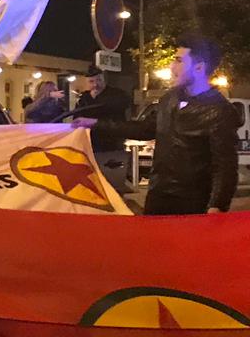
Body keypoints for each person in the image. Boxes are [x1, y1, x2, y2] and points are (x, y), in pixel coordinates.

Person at [75, 37, 239, 214]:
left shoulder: (219, 110)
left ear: (199, 67)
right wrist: (95, 123)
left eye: (179, 61)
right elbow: (144, 129)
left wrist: (217, 206)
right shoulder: (170, 98)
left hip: (193, 203)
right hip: (158, 196)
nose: (172, 67)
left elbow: (225, 166)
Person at [63, 66, 134, 190]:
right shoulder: (85, 98)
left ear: (103, 79)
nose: (95, 84)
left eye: (99, 80)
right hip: (90, 144)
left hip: (111, 143)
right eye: (91, 81)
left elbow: (123, 106)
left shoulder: (117, 94)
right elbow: (77, 116)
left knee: (111, 179)